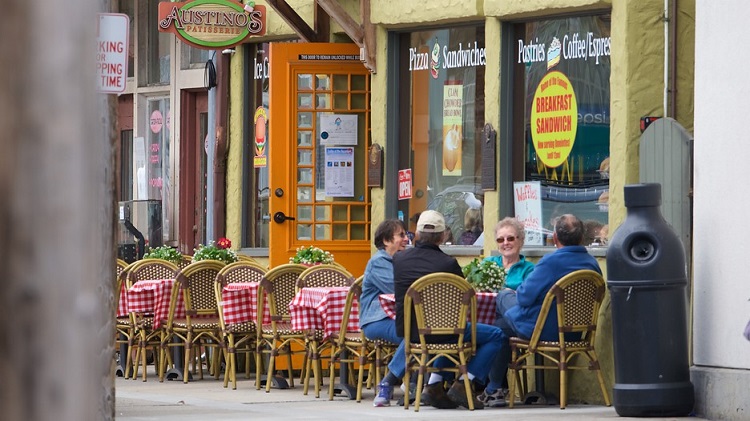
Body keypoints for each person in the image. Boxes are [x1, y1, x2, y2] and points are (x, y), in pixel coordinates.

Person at [393, 210, 504, 410]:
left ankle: (434, 384)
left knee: (449, 331)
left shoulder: (399, 261)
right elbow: (463, 300)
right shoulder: (448, 264)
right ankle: (464, 382)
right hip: (444, 331)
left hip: (411, 333)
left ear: (416, 234)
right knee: (495, 334)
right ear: (443, 235)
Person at [490, 214, 602, 405]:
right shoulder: (592, 265)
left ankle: (489, 387)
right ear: (582, 239)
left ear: (555, 238)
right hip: (577, 334)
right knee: (500, 328)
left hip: (542, 331)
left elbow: (524, 297)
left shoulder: (550, 262)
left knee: (503, 297)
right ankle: (493, 388)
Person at [478, 217, 535, 407]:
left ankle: (493, 388)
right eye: (501, 240)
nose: (506, 243)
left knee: (498, 331)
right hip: (485, 319)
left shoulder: (529, 269)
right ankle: (492, 388)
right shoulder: (488, 264)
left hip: (512, 323)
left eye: (510, 238)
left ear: (520, 240)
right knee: (492, 331)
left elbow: (529, 300)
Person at [358, 219, 410, 407]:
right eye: (401, 235)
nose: (406, 239)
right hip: (376, 320)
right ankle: (388, 383)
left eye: (406, 235)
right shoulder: (379, 261)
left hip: (398, 318)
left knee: (428, 334)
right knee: (415, 336)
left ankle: (415, 385)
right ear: (387, 241)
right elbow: (399, 289)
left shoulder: (400, 259)